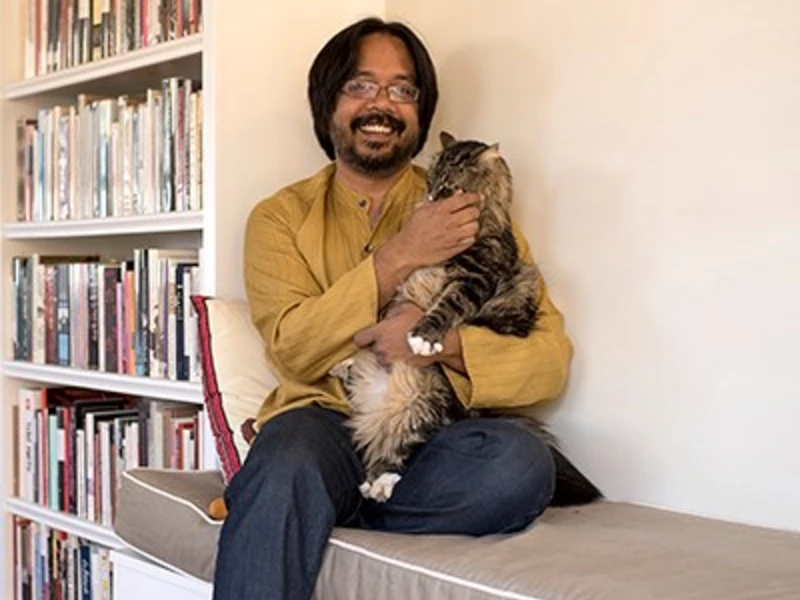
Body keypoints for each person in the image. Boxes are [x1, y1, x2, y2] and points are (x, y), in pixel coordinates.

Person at [212, 17, 575, 600]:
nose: (382, 103)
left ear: (421, 111)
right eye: (360, 85)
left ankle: (334, 505)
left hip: (432, 432)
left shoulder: (474, 208)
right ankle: (306, 493)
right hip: (321, 425)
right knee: (287, 462)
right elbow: (294, 347)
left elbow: (549, 359)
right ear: (327, 102)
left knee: (521, 465)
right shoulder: (279, 217)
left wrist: (440, 344)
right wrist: (403, 254)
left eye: (402, 89)